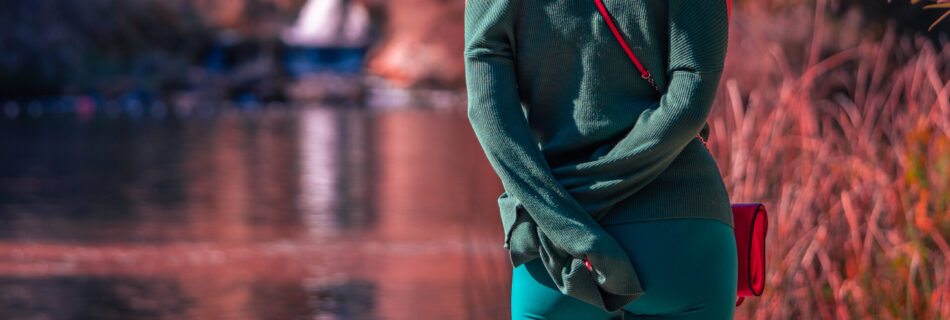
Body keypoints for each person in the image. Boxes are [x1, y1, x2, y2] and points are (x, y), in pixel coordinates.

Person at [463, 0, 737, 319]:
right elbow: (689, 100)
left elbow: (487, 108)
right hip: (680, 238)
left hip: (555, 246)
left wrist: (557, 211)